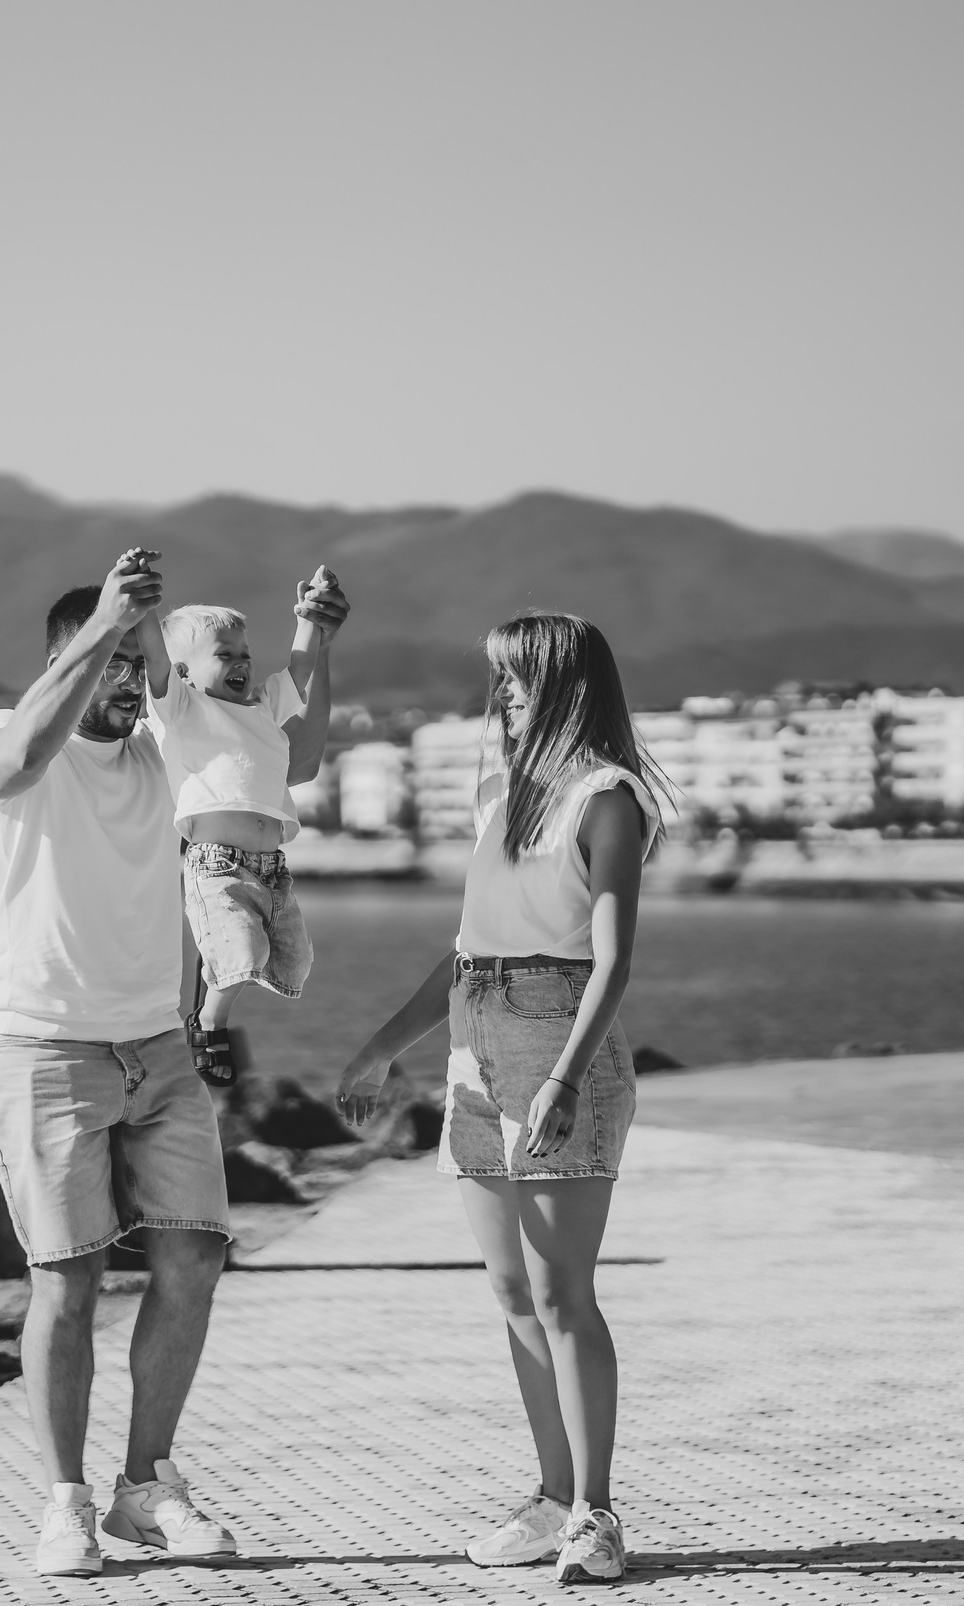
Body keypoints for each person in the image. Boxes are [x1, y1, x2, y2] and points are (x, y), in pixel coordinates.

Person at [336, 612, 665, 1587]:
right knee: (511, 1291)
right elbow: (466, 949)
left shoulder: (606, 800)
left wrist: (563, 1074)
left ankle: (597, 1514)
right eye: (499, 680)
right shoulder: (499, 794)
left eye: (519, 679)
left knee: (564, 1294)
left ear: (566, 682)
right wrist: (380, 1049)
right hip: (477, 1039)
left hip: (559, 1036)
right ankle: (553, 1495)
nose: (503, 695)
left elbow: (613, 959)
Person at [0, 550, 239, 1577]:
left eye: (141, 662)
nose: (132, 679)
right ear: (69, 658)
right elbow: (9, 766)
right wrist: (102, 630)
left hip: (158, 1049)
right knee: (67, 1282)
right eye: (116, 661)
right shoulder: (6, 738)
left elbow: (270, 767)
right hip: (43, 1045)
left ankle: (146, 1486)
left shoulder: (159, 757)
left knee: (193, 1258)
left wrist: (317, 646)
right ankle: (65, 1503)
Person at [134, 565, 351, 1083]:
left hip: (272, 867)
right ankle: (210, 1022)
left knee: (295, 962)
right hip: (216, 863)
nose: (241, 664)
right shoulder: (184, 708)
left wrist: (311, 618)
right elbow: (156, 659)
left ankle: (213, 986)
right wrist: (141, 606)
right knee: (243, 953)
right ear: (184, 673)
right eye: (224, 655)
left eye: (245, 655)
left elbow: (300, 669)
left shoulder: (261, 708)